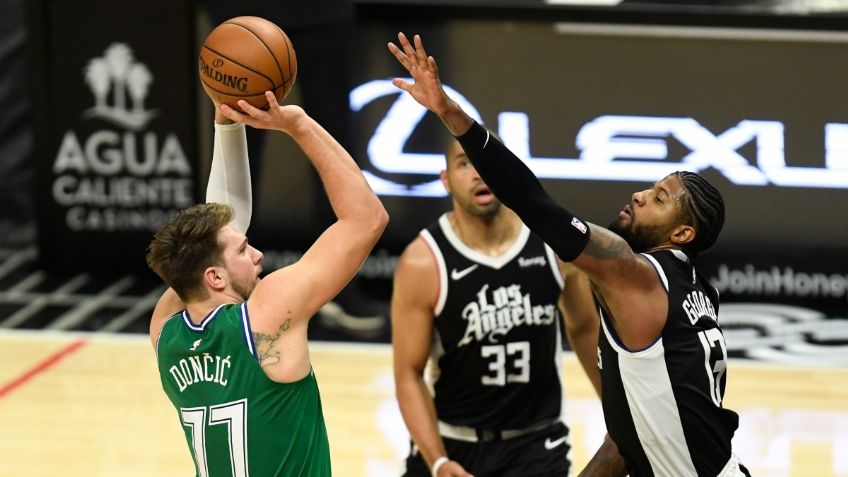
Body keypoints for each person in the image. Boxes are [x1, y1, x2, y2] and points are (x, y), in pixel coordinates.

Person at [388, 33, 749, 477]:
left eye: (659, 198)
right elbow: (626, 440)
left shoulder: (632, 275)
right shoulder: (700, 291)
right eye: (650, 188)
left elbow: (530, 199)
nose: (639, 195)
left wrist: (450, 112)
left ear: (682, 233)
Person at [145, 91, 388, 476]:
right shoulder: (266, 315)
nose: (258, 255)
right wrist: (299, 125)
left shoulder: (165, 332)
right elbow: (367, 219)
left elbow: (220, 231)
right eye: (244, 250)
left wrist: (227, 125)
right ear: (215, 277)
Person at [391, 137, 603, 477]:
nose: (478, 173)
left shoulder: (550, 241)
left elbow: (584, 328)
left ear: (505, 170)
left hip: (537, 446)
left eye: (485, 161)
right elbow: (408, 375)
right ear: (446, 180)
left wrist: (620, 417)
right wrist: (438, 461)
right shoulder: (423, 262)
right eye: (464, 163)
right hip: (453, 443)